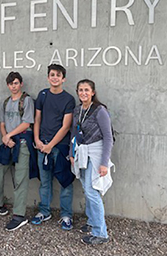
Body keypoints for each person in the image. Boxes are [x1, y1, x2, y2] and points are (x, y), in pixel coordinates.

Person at [0, 72, 38, 231]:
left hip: (22, 142)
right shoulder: (5, 102)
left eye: (15, 83)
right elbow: (2, 123)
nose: (13, 86)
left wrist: (9, 135)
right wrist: (5, 138)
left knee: (20, 178)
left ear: (21, 84)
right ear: (8, 86)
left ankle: (19, 215)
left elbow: (27, 123)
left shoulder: (27, 101)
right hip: (8, 142)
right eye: (10, 84)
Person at [32, 64, 76, 230]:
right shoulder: (42, 95)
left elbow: (66, 126)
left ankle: (66, 215)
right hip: (42, 146)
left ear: (63, 78)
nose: (55, 77)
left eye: (58, 75)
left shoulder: (69, 99)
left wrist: (51, 145)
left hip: (60, 147)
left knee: (65, 182)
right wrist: (37, 140)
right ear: (48, 77)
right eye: (52, 74)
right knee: (44, 182)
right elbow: (37, 119)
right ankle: (44, 211)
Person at [70, 79, 114, 245]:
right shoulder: (77, 110)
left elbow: (108, 137)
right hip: (81, 152)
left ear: (93, 92)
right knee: (86, 188)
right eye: (80, 90)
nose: (83, 93)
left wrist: (104, 162)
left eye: (86, 90)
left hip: (96, 153)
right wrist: (71, 154)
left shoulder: (100, 110)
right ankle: (92, 222)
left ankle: (100, 233)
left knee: (92, 190)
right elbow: (73, 133)